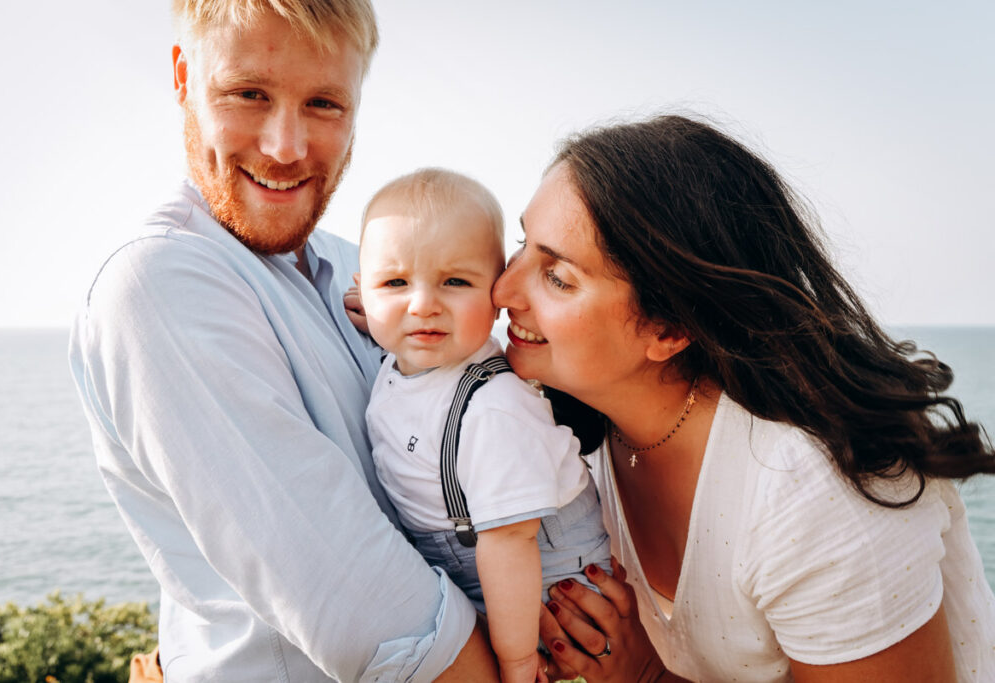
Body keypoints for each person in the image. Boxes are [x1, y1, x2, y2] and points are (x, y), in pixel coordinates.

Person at [68, 2, 499, 680]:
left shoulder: (358, 270)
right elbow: (385, 629)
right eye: (249, 94)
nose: (286, 147)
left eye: (324, 103)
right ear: (183, 77)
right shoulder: (157, 282)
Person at [493, 114, 995, 682]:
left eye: (558, 277)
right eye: (522, 245)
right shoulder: (575, 433)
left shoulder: (812, 491)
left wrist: (647, 677)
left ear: (669, 328)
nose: (503, 289)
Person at [351, 168, 612, 682]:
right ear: (363, 290)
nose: (423, 305)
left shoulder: (492, 405)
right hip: (476, 562)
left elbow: (511, 540)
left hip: (543, 580)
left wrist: (516, 659)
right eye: (396, 282)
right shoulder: (405, 359)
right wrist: (381, 316)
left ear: (496, 295)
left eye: (455, 282)